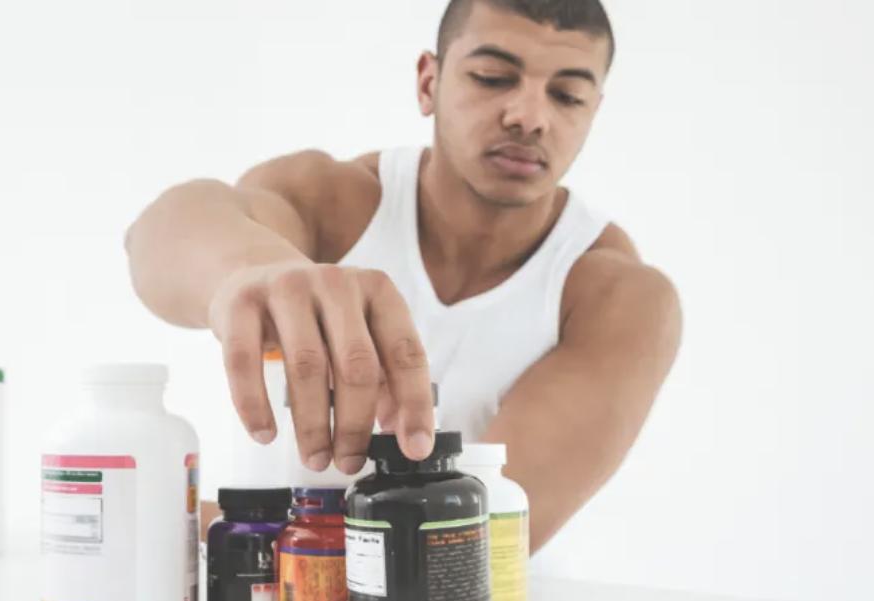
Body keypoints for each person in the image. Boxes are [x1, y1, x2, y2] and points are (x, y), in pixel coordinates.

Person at [125, 0, 681, 553]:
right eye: (492, 78)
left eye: (567, 95)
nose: (530, 117)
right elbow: (164, 229)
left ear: (593, 113)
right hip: (270, 595)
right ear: (428, 82)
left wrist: (185, 522)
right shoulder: (334, 201)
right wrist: (253, 274)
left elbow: (466, 542)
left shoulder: (618, 298)